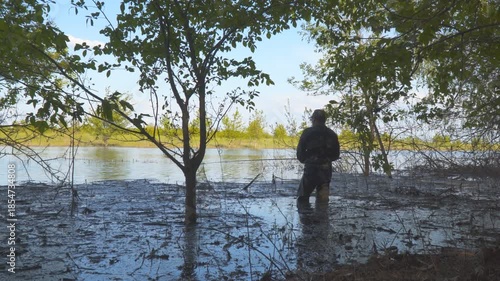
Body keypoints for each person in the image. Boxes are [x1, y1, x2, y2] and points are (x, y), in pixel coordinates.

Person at [296, 109, 340, 207]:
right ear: (324, 120)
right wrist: (326, 160)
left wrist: (308, 160)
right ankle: (323, 220)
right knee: (323, 201)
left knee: (302, 199)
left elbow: (300, 154)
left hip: (311, 170)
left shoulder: (307, 132)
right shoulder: (332, 134)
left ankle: (305, 220)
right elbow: (336, 155)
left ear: (314, 119)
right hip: (326, 170)